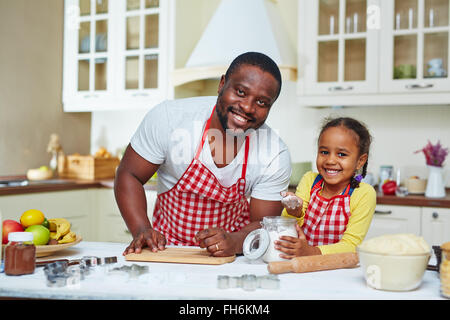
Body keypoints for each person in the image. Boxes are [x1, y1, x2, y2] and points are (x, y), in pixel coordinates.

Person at [115, 52, 292, 257]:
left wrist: (234, 242)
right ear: (222, 84)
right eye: (241, 92)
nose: (247, 107)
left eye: (261, 103)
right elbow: (129, 174)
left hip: (231, 257)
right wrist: (141, 229)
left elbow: (264, 224)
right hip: (164, 251)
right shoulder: (170, 119)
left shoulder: (274, 153)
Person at [277, 117, 376, 257]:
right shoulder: (310, 180)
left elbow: (351, 245)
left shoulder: (364, 194)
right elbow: (287, 228)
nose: (330, 160)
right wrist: (294, 211)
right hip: (301, 264)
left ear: (360, 161)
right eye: (324, 152)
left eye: (341, 154)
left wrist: (311, 252)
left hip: (336, 269)